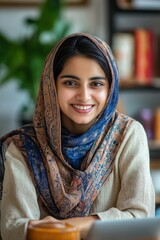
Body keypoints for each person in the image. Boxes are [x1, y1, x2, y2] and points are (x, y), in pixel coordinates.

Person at [0, 32, 155, 240]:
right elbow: (13, 228)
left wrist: (69, 227)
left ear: (110, 88)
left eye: (96, 84)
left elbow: (141, 217)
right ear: (51, 85)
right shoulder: (21, 147)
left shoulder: (128, 134)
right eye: (70, 83)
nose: (84, 96)